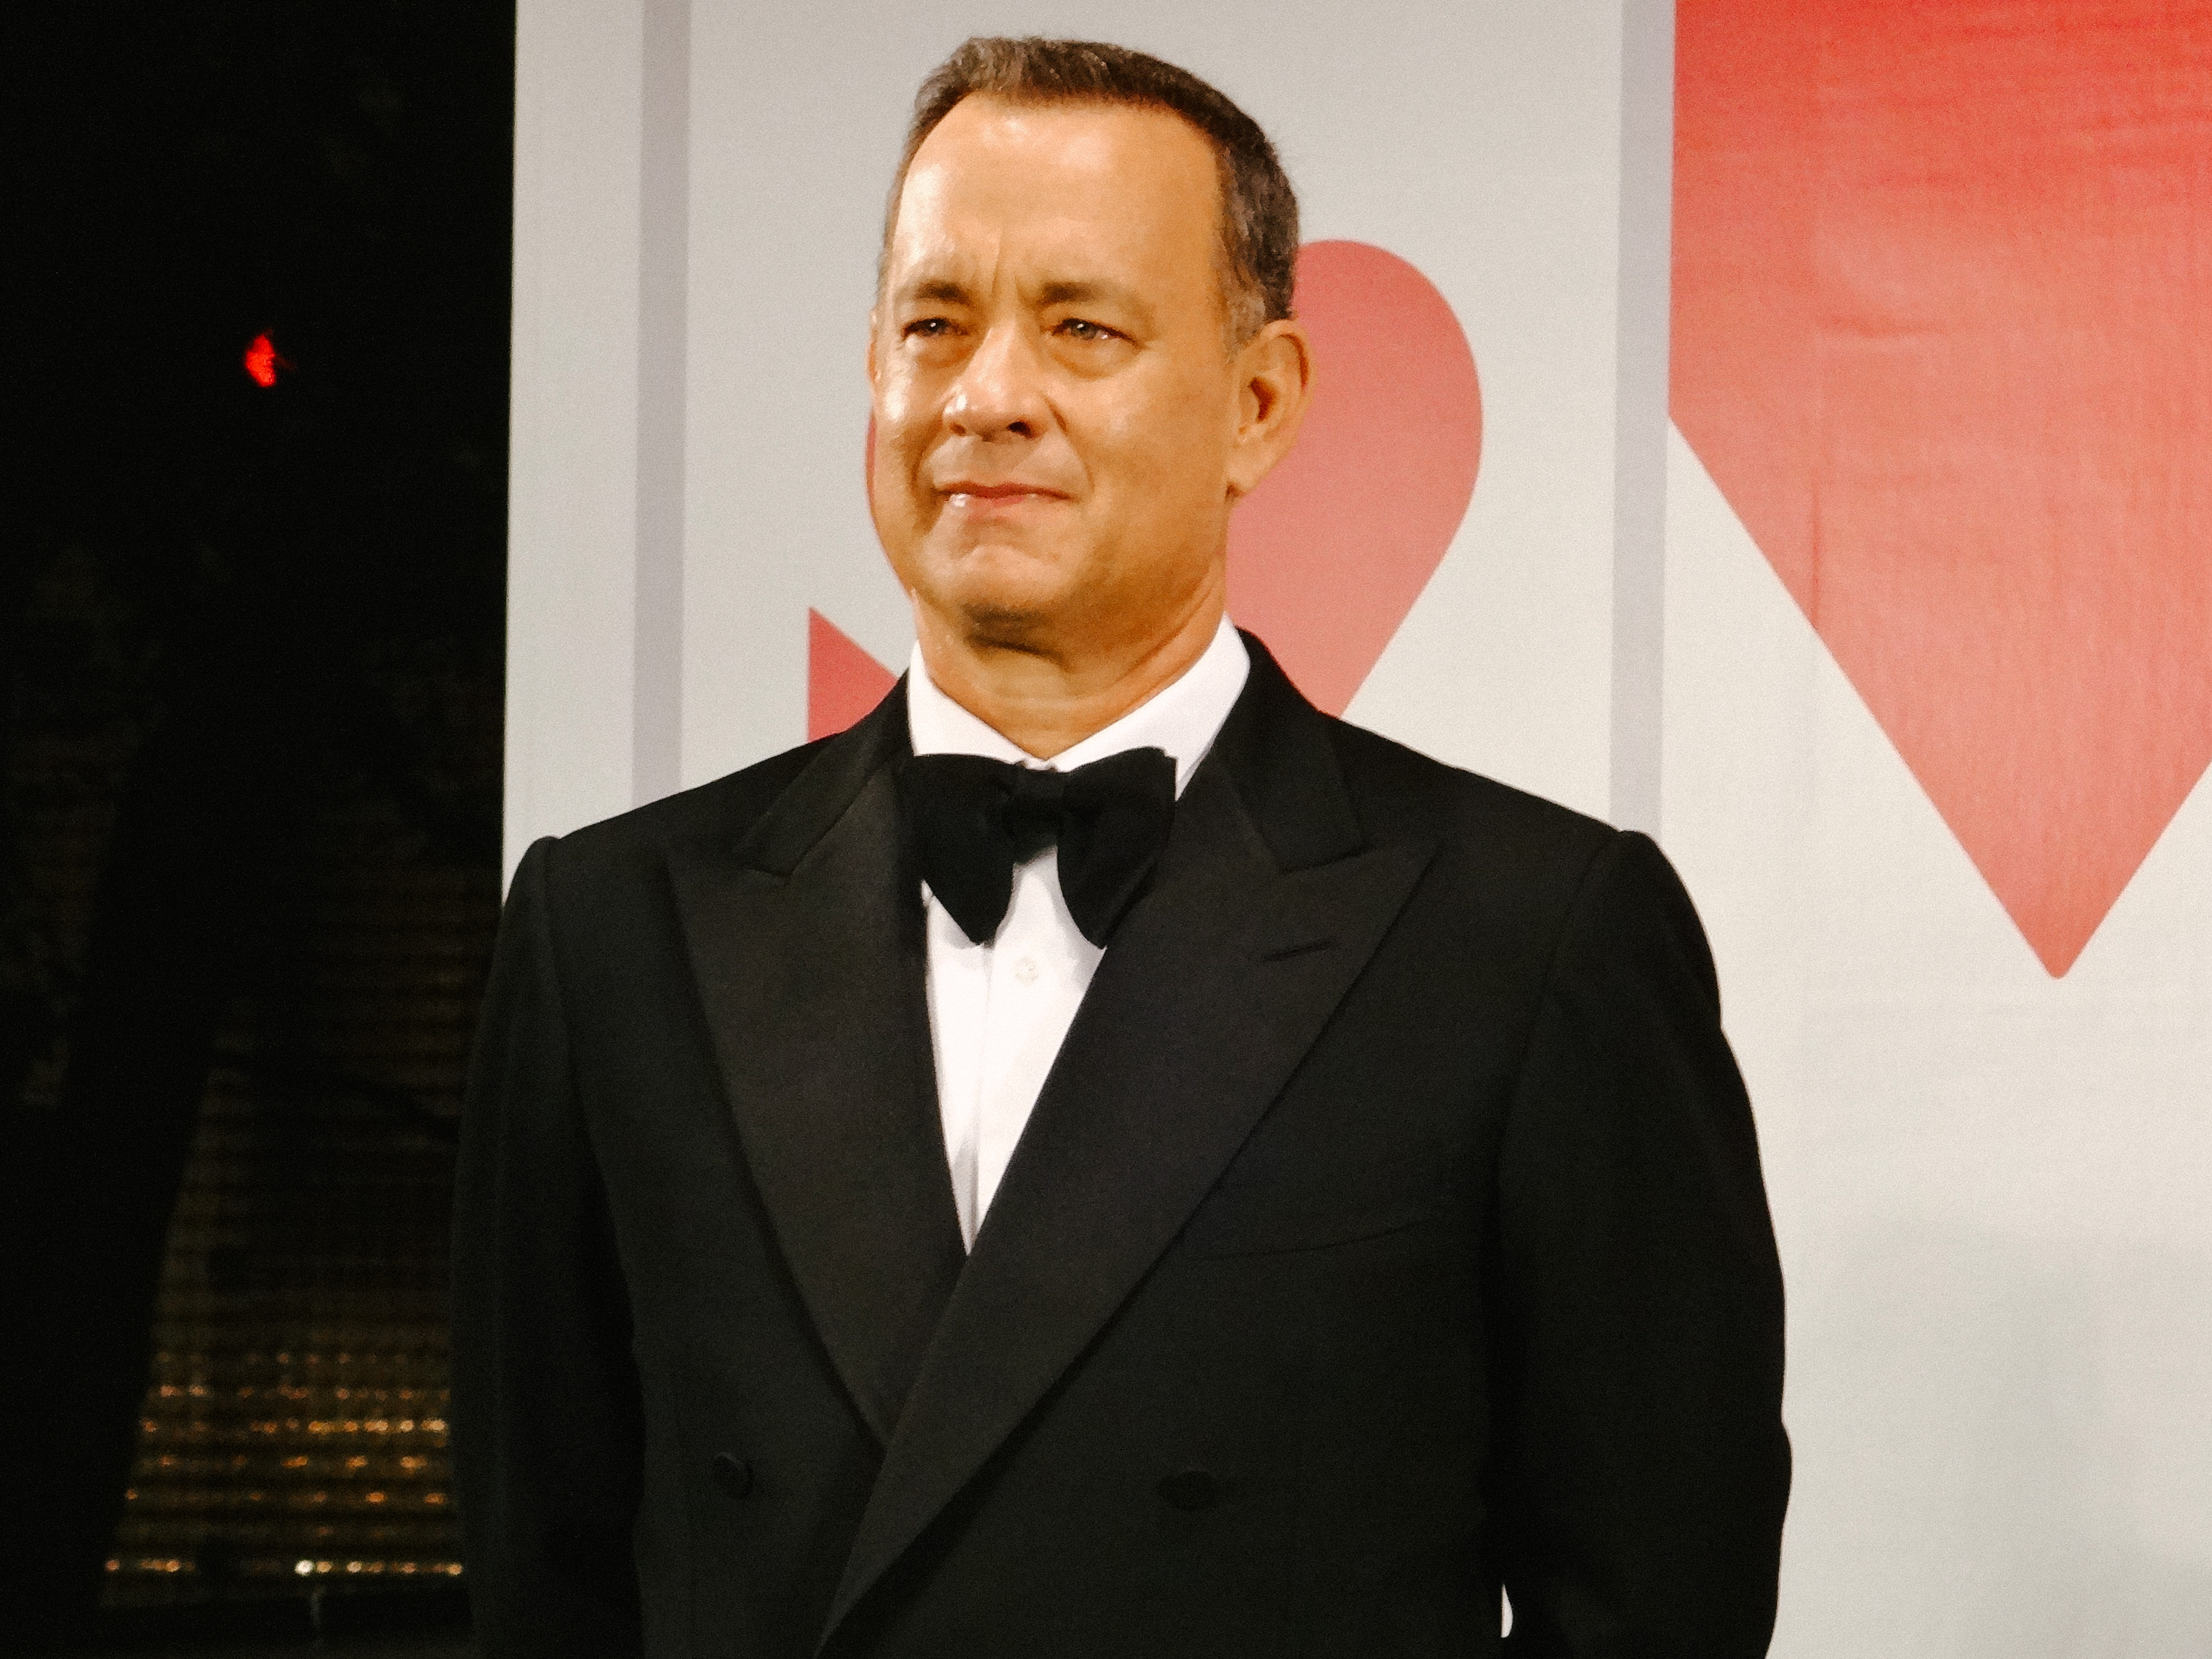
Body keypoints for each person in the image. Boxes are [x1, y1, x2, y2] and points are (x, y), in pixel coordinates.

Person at [452, 36, 1789, 1657]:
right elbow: (544, 1578)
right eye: (935, 324)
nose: (985, 395)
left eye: (1081, 327)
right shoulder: (607, 930)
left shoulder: (1534, 936)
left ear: (1258, 403)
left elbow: (1656, 1598)